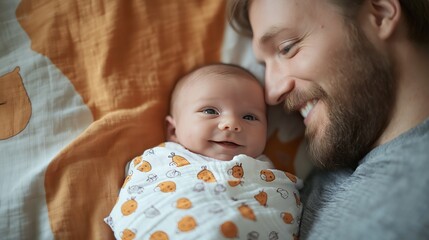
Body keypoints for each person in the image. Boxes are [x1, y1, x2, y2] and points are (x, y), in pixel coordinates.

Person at [228, 0, 429, 239]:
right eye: (265, 65)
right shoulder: (314, 179)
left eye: (287, 48)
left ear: (381, 15)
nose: (271, 93)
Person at [104, 63, 303, 240]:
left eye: (249, 117)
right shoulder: (160, 160)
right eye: (210, 111)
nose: (232, 124)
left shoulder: (270, 177)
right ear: (173, 130)